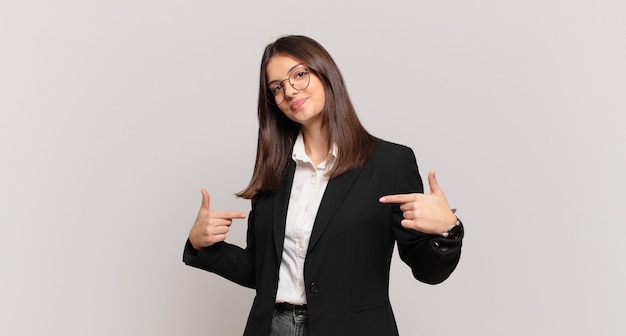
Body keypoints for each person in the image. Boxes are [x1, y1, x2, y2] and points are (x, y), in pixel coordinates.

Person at [183, 35, 464, 336]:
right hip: (272, 328)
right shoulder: (275, 168)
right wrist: (201, 245)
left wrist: (448, 230)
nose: (289, 90)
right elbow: (261, 270)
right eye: (277, 87)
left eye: (299, 74)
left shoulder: (389, 163)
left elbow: (428, 270)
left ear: (325, 72)